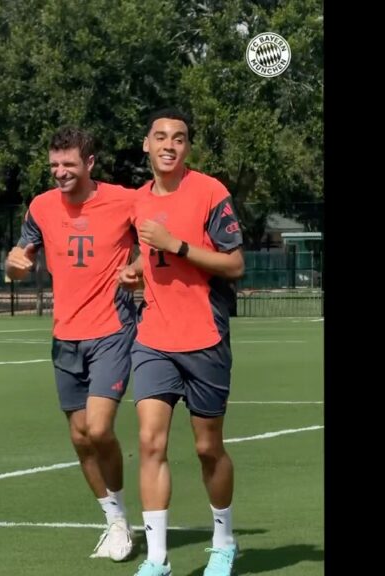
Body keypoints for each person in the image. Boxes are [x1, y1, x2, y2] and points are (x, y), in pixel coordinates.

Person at [118, 108, 245, 576]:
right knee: (150, 442)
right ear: (146, 145)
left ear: (187, 147)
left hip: (205, 336)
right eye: (161, 137)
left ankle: (224, 540)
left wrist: (176, 245)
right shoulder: (136, 202)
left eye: (180, 138)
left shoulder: (211, 192)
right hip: (153, 338)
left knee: (208, 448)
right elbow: (143, 254)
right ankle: (156, 560)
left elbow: (234, 265)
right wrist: (134, 268)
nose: (170, 144)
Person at [5, 126, 138, 562]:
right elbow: (21, 258)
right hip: (65, 336)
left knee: (99, 429)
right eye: (54, 165)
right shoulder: (42, 206)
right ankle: (116, 520)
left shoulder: (125, 200)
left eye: (69, 164)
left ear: (90, 164)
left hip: (113, 330)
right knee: (81, 438)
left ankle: (122, 521)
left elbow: (153, 242)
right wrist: (15, 265)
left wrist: (136, 265)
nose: (60, 172)